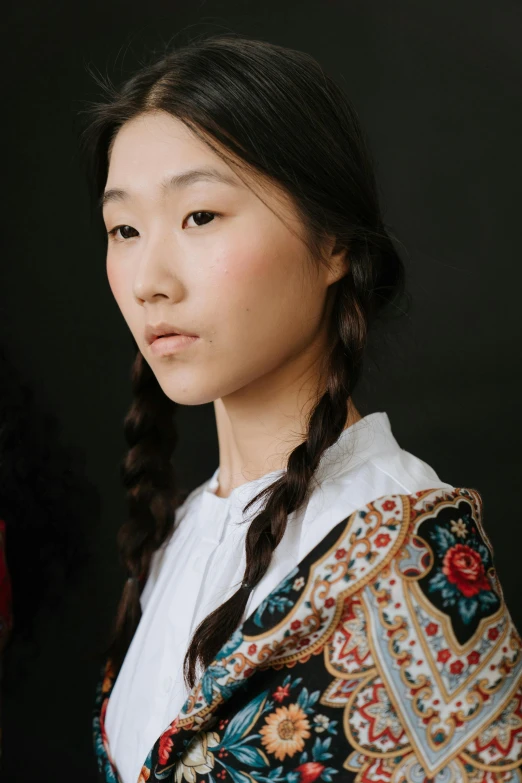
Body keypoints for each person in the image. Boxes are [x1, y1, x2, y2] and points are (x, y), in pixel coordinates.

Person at [79, 33, 522, 783]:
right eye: (124, 229)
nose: (149, 279)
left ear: (334, 245)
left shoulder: (409, 557)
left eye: (200, 217)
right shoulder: (182, 533)